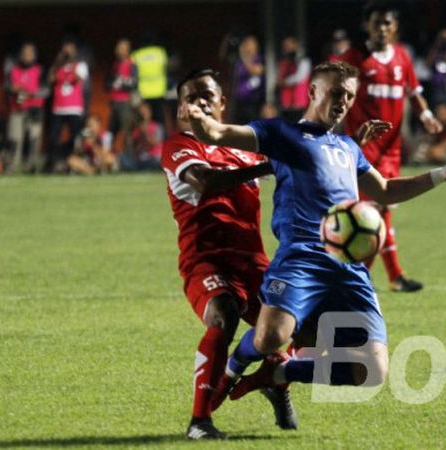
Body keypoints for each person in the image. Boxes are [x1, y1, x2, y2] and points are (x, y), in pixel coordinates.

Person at [180, 60, 446, 429]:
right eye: (337, 92)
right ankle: (233, 368)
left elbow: (383, 189)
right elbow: (220, 133)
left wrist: (441, 174)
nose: (344, 101)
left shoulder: (349, 147)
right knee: (272, 335)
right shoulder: (280, 134)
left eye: (349, 95)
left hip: (348, 267)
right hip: (301, 258)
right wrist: (199, 119)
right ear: (313, 91)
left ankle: (280, 376)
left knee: (371, 370)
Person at [161, 68, 297, 440]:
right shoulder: (180, 146)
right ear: (182, 111)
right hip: (204, 261)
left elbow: (300, 159)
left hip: (254, 265)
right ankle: (199, 423)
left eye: (207, 95)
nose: (199, 101)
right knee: (224, 313)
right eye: (191, 98)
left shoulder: (242, 144)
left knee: (289, 335)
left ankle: (275, 380)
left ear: (222, 103)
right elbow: (205, 181)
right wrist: (268, 164)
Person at [331, 0, 444, 292]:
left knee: (381, 210)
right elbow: (335, 97)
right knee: (371, 211)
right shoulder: (354, 59)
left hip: (391, 150)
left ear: (395, 27)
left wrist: (427, 115)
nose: (382, 28)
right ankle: (363, 276)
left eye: (387, 23)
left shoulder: (402, 57)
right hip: (364, 148)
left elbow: (414, 92)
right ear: (366, 25)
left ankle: (389, 276)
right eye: (377, 22)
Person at [4, 42, 47, 174]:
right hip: (16, 109)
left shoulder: (40, 70)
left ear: (34, 56)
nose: (27, 56)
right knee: (14, 139)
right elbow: (6, 88)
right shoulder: (13, 70)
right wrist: (12, 89)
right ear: (20, 55)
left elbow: (46, 90)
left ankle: (32, 167)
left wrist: (31, 94)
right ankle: (12, 167)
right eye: (25, 53)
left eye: (30, 53)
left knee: (34, 139)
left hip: (34, 109)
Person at [48, 39, 89, 172]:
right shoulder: (58, 66)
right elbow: (50, 79)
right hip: (58, 108)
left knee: (75, 138)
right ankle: (53, 164)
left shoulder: (80, 65)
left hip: (74, 108)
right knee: (54, 138)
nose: (67, 52)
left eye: (70, 49)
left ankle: (74, 164)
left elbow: (78, 79)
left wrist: (70, 64)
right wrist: (57, 62)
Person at [107, 38, 139, 154]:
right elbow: (108, 82)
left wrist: (122, 83)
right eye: (118, 47)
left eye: (122, 48)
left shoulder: (131, 64)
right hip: (114, 101)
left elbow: (134, 83)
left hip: (125, 102)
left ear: (127, 50)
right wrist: (114, 83)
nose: (118, 50)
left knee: (127, 131)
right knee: (112, 130)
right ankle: (109, 155)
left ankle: (129, 157)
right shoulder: (115, 65)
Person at [132, 34, 169, 125]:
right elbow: (166, 69)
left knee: (143, 119)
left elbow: (133, 73)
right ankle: (161, 138)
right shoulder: (161, 53)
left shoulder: (136, 55)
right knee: (159, 120)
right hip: (159, 92)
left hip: (143, 92)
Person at [230, 36, 265, 125]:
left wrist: (243, 56)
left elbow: (256, 71)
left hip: (253, 103)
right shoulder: (239, 61)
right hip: (238, 102)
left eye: (249, 43)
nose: (246, 46)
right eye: (245, 43)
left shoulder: (259, 58)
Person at [276, 36, 311, 122]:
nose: (286, 48)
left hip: (299, 101)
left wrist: (284, 82)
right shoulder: (283, 61)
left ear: (296, 45)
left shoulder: (304, 59)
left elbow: (300, 76)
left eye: (289, 45)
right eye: (285, 45)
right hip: (286, 102)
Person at [122, 102, 164, 171]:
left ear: (150, 113)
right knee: (124, 158)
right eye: (141, 112)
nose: (143, 114)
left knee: (158, 159)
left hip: (153, 157)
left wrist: (145, 131)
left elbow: (155, 143)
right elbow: (129, 145)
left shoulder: (157, 127)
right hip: (140, 159)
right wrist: (130, 128)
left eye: (145, 112)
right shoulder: (136, 129)